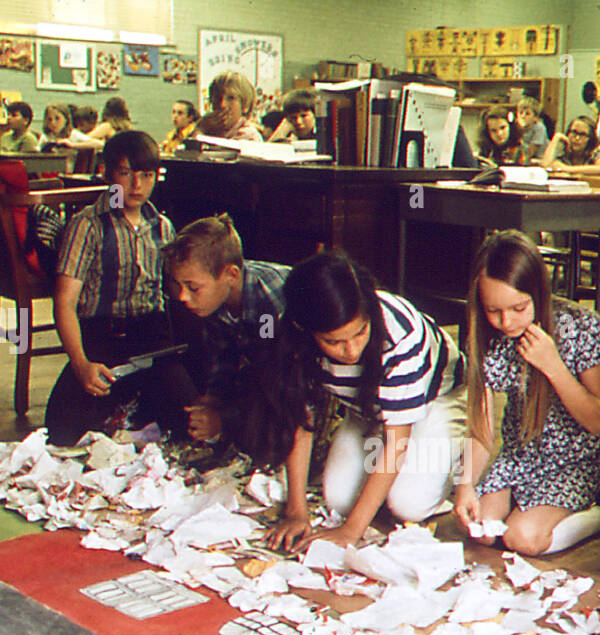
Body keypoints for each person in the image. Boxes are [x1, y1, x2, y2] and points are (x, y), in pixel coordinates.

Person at [264, 251, 466, 550]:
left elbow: (397, 439)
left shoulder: (400, 335)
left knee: (409, 503)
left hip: (435, 401)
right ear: (304, 331)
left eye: (360, 333)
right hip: (366, 409)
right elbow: (300, 420)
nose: (351, 351)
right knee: (339, 499)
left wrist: (351, 531)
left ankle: (458, 453)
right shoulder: (292, 336)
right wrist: (296, 510)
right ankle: (389, 472)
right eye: (333, 342)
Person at [454, 230, 600, 556]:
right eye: (493, 310)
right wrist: (464, 485)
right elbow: (482, 431)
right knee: (478, 529)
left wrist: (553, 366)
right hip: (521, 457)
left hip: (573, 461)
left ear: (538, 294)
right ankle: (523, 507)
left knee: (523, 539)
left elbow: (598, 421)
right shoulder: (488, 337)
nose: (506, 321)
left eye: (518, 307)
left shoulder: (580, 325)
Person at [43, 131, 197, 446]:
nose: (136, 185)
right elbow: (64, 302)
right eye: (126, 173)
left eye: (146, 175)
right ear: (108, 173)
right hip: (102, 338)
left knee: (186, 419)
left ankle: (143, 419)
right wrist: (80, 363)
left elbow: (175, 295)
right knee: (62, 428)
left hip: (152, 339)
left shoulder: (163, 227)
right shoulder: (87, 225)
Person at [161, 214, 290, 447]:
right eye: (177, 285)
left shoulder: (267, 302)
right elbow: (225, 356)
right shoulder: (213, 300)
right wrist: (213, 397)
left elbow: (272, 377)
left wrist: (225, 420)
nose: (182, 297)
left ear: (230, 275)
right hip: (269, 373)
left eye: (192, 287)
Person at [198, 71, 264, 142]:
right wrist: (201, 127)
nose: (222, 104)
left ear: (245, 105)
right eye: (217, 97)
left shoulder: (248, 136)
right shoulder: (209, 130)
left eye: (230, 98)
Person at [516, 96, 548, 160]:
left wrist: (520, 132)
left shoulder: (539, 128)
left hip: (540, 158)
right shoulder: (515, 127)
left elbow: (530, 153)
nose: (522, 116)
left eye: (527, 114)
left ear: (535, 117)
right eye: (520, 113)